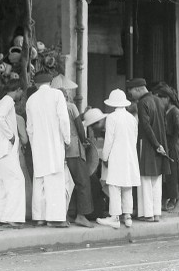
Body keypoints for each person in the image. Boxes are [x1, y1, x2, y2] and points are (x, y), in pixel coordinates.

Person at [26, 72, 71, 228]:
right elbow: (63, 119)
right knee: (55, 181)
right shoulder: (57, 95)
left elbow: (29, 128)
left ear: (36, 85)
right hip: (54, 144)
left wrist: (34, 145)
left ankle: (39, 217)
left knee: (39, 182)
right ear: (50, 82)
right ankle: (55, 218)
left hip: (38, 146)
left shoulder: (31, 100)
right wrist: (67, 139)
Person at [96, 90, 140, 229]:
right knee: (127, 186)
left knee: (114, 186)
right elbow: (134, 139)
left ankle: (115, 217)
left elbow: (109, 140)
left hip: (116, 155)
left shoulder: (112, 118)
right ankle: (127, 216)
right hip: (130, 155)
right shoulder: (132, 118)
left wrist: (104, 156)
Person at [127, 78, 169, 223]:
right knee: (156, 180)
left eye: (131, 92)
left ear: (138, 89)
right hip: (160, 145)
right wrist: (161, 145)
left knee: (145, 179)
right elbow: (163, 124)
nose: (131, 95)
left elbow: (145, 126)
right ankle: (156, 213)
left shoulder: (142, 103)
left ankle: (148, 214)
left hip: (147, 144)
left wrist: (155, 144)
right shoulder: (158, 101)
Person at [55, 80, 92, 229]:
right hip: (75, 150)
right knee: (82, 182)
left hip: (59, 151)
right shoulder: (71, 106)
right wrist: (85, 141)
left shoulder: (54, 109)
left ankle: (67, 213)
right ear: (66, 95)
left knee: (64, 184)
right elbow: (79, 127)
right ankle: (81, 216)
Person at [0, 79, 26, 228]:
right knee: (17, 180)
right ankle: (13, 218)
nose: (21, 94)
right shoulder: (9, 101)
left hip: (0, 150)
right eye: (21, 91)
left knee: (3, 183)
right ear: (17, 89)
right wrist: (10, 135)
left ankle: (0, 216)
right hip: (7, 149)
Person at [153, 84, 179, 211]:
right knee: (169, 175)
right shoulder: (166, 111)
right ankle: (168, 200)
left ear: (167, 98)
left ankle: (178, 203)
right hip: (168, 146)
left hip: (174, 147)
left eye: (160, 98)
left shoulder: (175, 111)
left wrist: (171, 145)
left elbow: (178, 129)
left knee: (176, 174)